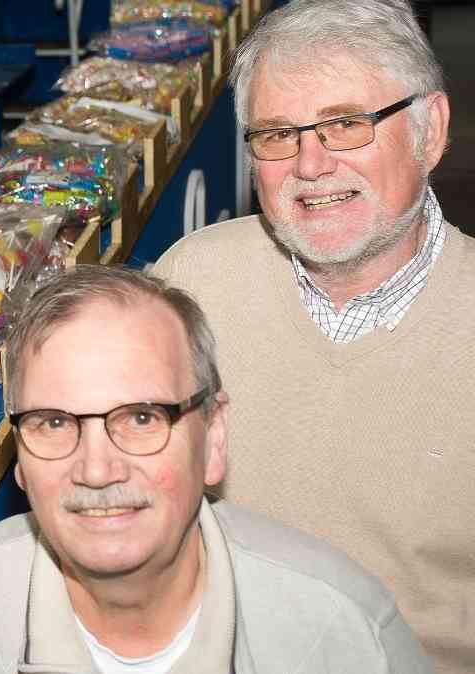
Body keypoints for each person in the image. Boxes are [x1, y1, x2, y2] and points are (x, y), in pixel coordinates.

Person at [0, 265, 431, 674]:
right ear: (20, 463)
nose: (98, 468)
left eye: (140, 417)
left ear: (214, 438)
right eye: (55, 423)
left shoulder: (343, 634)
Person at [151, 1, 472, 671]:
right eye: (276, 134)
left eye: (346, 124)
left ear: (430, 130)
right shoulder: (192, 284)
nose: (310, 163)